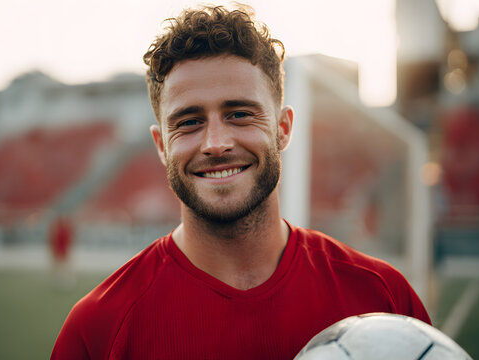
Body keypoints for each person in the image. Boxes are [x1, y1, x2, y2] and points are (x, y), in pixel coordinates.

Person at [51, 5, 430, 359]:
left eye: (239, 114)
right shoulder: (96, 330)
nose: (216, 144)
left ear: (283, 129)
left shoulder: (384, 298)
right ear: (161, 146)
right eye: (189, 122)